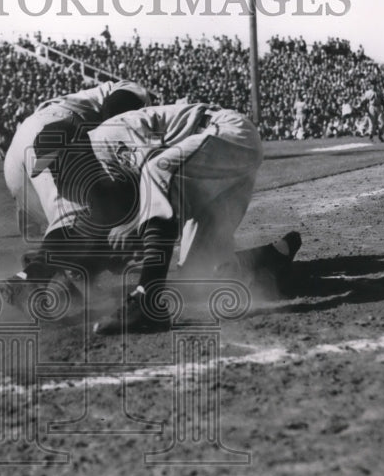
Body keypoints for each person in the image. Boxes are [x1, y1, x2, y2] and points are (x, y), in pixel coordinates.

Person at [35, 102, 301, 334]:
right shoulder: (94, 169)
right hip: (214, 162)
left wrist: (132, 227)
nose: (55, 174)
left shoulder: (107, 139)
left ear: (74, 150)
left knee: (157, 171)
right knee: (199, 276)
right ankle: (274, 258)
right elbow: (155, 201)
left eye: (56, 163)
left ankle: (148, 302)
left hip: (226, 134)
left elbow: (159, 171)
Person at [1, 79, 153, 243]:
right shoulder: (138, 97)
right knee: (79, 224)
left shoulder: (90, 95)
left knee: (84, 231)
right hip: (52, 129)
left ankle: (50, 257)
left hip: (14, 164)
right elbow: (119, 103)